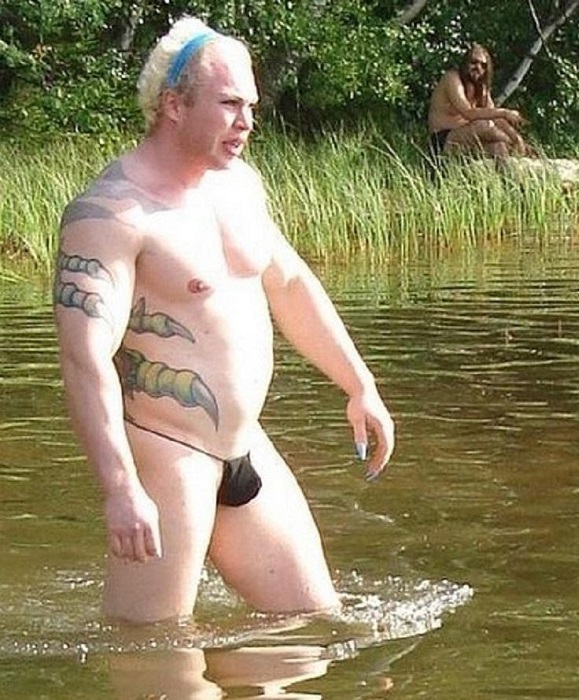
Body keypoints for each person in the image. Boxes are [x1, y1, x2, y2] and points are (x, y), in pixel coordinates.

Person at [53, 16, 395, 624]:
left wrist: (358, 384)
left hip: (243, 446)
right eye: (230, 103)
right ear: (174, 105)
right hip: (167, 455)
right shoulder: (112, 214)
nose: (247, 121)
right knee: (155, 658)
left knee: (310, 630)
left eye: (251, 106)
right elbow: (85, 357)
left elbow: (290, 283)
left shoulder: (239, 186)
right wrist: (120, 487)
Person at [428, 43, 528, 161]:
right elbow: (468, 113)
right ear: (465, 63)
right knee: (484, 124)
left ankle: (514, 163)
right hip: (443, 140)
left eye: (483, 65)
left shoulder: (481, 87)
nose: (478, 68)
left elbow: (495, 117)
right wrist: (505, 113)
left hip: (468, 141)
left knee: (498, 147)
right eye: (474, 62)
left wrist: (516, 138)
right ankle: (516, 148)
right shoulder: (452, 78)